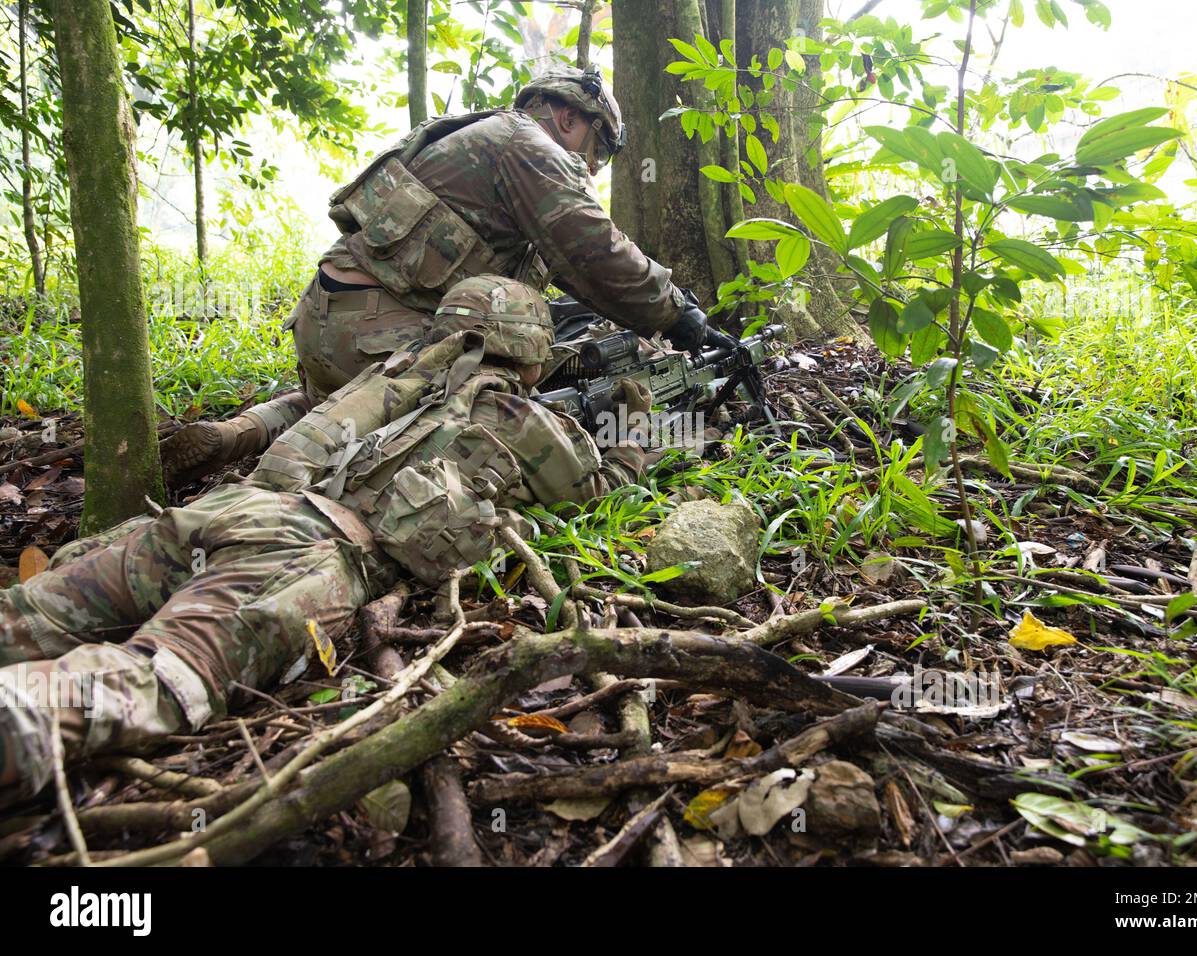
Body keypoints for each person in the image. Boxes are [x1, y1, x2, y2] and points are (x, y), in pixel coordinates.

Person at [0, 276, 653, 805]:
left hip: (229, 511)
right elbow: (601, 495)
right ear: (535, 357)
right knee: (160, 680)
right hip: (308, 554)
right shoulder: (531, 423)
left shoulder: (387, 376)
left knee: (32, 612)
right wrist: (633, 436)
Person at [163, 64, 729, 484]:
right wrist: (675, 313)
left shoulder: (474, 139)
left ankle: (240, 433)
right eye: (598, 152)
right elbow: (594, 255)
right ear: (569, 119)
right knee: (486, 403)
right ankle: (289, 476)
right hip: (378, 337)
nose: (593, 168)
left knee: (341, 399)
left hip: (326, 325)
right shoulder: (536, 150)